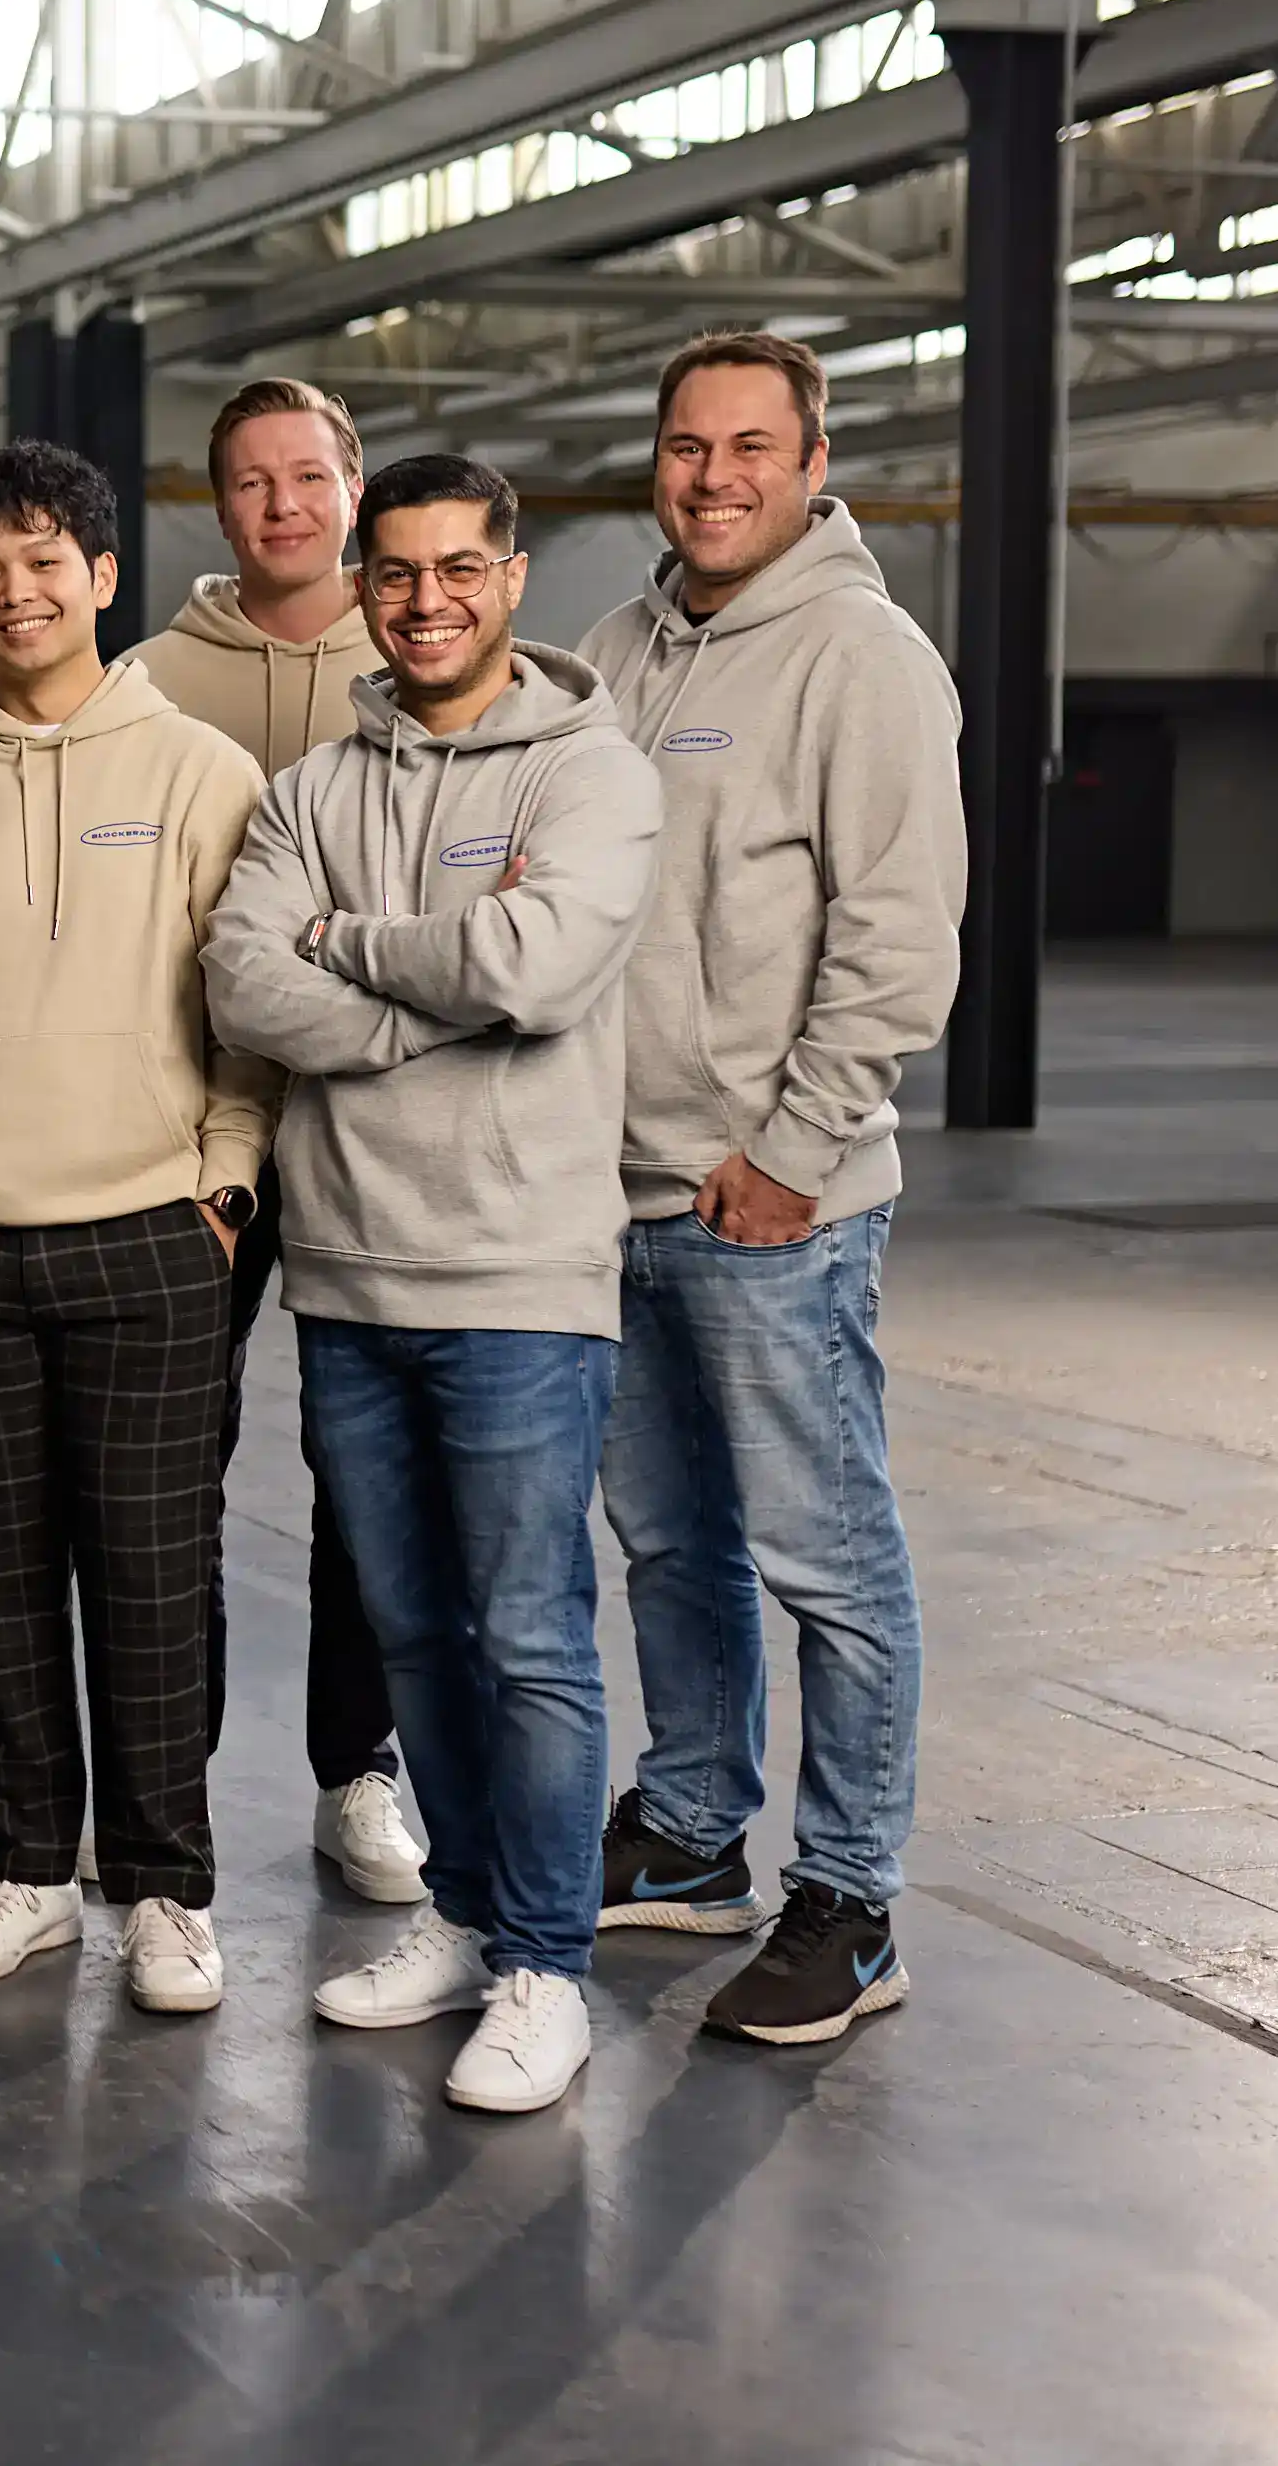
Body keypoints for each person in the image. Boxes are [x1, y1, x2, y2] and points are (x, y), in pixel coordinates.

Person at [202, 453, 664, 2116]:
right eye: (396, 572)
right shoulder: (312, 789)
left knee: (528, 1636)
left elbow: (537, 970)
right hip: (346, 1275)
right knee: (411, 1628)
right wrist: (430, 990)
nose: (426, 600)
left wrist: (350, 945)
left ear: (513, 577)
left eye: (460, 568)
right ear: (366, 586)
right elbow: (241, 983)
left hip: (521, 1274)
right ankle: (466, 1916)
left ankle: (546, 1966)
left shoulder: (593, 773)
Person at [0, 441, 277, 2023]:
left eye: (45, 561)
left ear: (103, 576)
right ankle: (28, 1871)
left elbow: (245, 1015)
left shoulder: (201, 774)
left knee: (154, 1579)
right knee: (0, 1576)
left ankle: (166, 1888)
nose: (15, 593)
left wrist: (224, 1183)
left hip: (148, 1232)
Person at [577, 331, 963, 2046]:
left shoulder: (864, 659)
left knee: (828, 1558)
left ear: (814, 464)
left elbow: (899, 942)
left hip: (772, 1203)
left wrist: (794, 1157)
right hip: (621, 1195)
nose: (714, 476)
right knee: (670, 1542)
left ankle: (853, 1902)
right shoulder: (614, 649)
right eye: (687, 445)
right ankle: (689, 1829)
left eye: (751, 446)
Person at [129, 379, 425, 1910]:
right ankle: (163, 1777)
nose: (283, 506)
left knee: (359, 1465)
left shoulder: (423, 653)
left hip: (382, 1132)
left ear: (352, 487)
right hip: (202, 1141)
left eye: (309, 476)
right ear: (218, 501)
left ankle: (355, 1769)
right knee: (174, 1463)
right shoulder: (152, 679)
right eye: (252, 481)